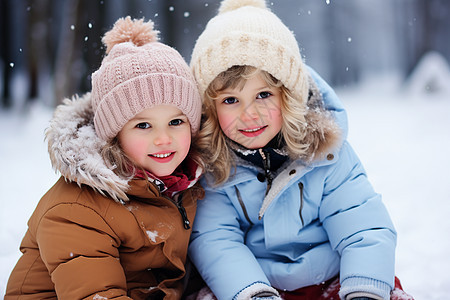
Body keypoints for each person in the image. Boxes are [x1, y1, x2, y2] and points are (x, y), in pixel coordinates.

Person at [187, 0, 414, 299]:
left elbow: (363, 226)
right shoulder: (216, 168)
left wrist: (363, 287)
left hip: (333, 276)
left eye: (263, 94)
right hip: (256, 282)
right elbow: (216, 240)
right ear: (210, 110)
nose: (250, 114)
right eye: (231, 100)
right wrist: (251, 291)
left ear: (289, 96)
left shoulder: (327, 154)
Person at [5, 16, 204, 300]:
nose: (163, 138)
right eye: (143, 125)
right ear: (113, 135)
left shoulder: (181, 184)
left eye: (176, 122)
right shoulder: (77, 210)